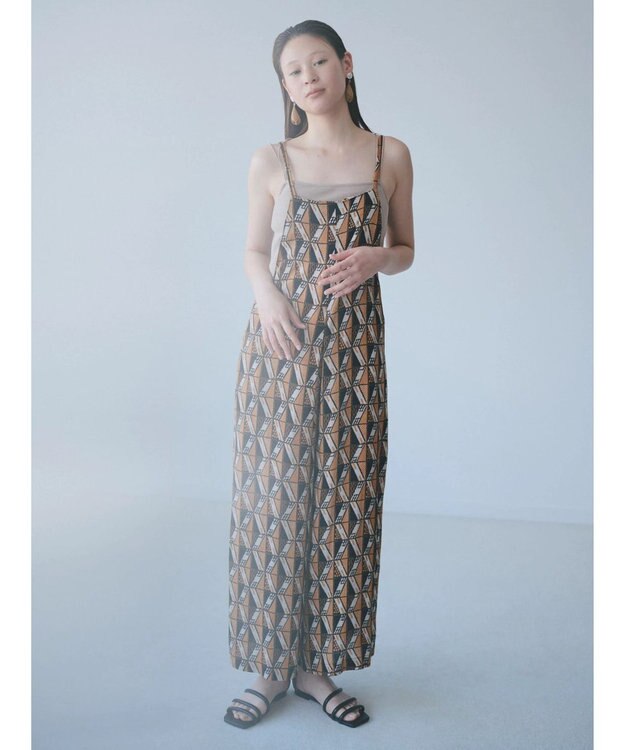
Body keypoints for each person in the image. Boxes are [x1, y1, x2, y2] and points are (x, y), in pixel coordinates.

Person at [224, 19, 414, 729]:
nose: (308, 77)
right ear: (284, 86)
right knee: (273, 502)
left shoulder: (389, 154)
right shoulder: (270, 159)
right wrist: (268, 296)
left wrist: (377, 258)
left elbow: (406, 248)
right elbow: (253, 250)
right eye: (293, 71)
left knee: (344, 501)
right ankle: (270, 668)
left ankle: (316, 669)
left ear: (346, 64)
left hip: (355, 354)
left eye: (319, 62)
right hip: (279, 348)